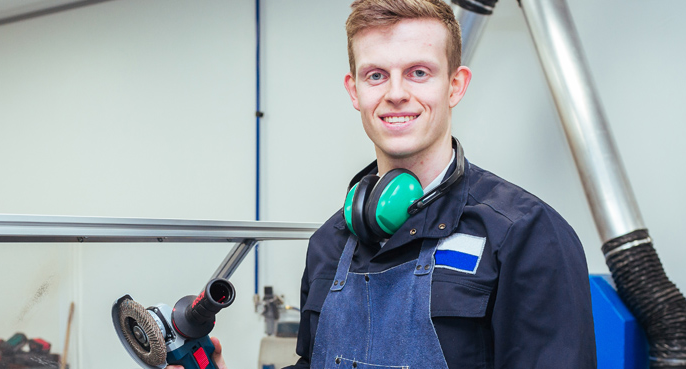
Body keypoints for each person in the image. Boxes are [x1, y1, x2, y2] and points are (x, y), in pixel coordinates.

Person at [172, 0, 596, 368]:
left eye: (418, 72)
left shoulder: (525, 234)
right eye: (376, 75)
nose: (395, 93)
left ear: (455, 85)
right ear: (354, 90)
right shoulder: (330, 241)